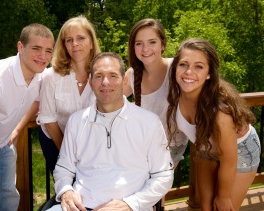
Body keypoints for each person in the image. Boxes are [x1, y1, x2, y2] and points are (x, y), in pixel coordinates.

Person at [47, 52, 174, 211]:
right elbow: (64, 168)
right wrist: (66, 191)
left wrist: (131, 204)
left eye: (113, 75)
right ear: (91, 83)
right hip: (79, 207)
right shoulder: (76, 121)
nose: (105, 82)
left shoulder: (149, 122)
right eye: (99, 76)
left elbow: (163, 175)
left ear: (124, 80)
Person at [0, 23, 54, 210]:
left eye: (48, 51)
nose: (43, 56)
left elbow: (36, 101)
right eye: (36, 49)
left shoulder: (41, 76)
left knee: (9, 200)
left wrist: (18, 128)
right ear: (20, 47)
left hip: (3, 143)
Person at [166, 38, 261, 211]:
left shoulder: (220, 114)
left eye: (199, 67)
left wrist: (223, 196)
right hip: (206, 149)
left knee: (221, 207)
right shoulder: (176, 94)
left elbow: (229, 162)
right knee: (205, 208)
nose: (189, 72)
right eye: (183, 64)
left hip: (239, 152)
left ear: (209, 73)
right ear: (175, 68)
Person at [37, 15, 101, 175]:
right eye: (69, 40)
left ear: (92, 42)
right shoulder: (50, 76)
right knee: (67, 188)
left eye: (81, 38)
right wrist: (68, 154)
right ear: (64, 45)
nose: (75, 44)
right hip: (55, 140)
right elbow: (48, 120)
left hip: (92, 146)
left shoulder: (102, 75)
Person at [123, 18, 187, 166]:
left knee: (156, 187)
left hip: (172, 145)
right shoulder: (132, 75)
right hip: (143, 146)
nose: (145, 49)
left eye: (152, 42)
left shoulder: (176, 68)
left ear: (162, 44)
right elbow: (111, 99)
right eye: (139, 43)